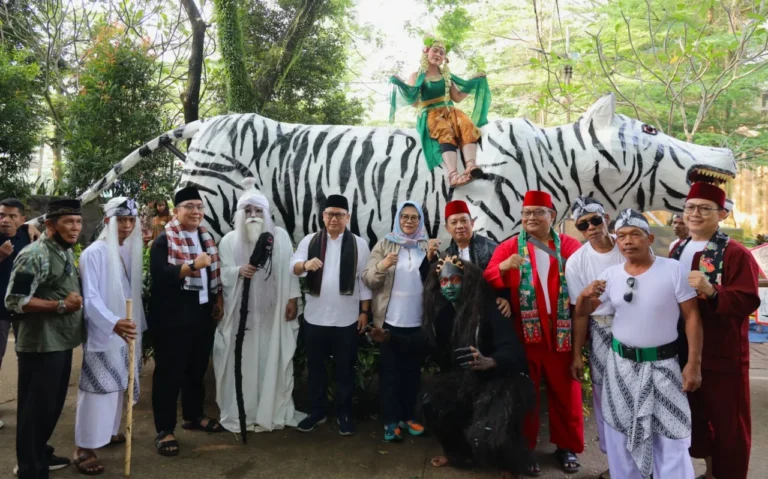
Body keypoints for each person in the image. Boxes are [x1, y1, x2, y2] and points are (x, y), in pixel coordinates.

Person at [368, 256, 533, 479]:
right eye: (444, 282)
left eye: (455, 279)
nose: (449, 286)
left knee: (494, 418)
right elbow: (425, 343)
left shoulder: (490, 308)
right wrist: (389, 337)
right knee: (432, 402)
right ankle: (458, 455)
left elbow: (512, 350)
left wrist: (490, 361)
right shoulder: (444, 314)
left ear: (467, 281)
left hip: (500, 378)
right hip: (466, 378)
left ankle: (508, 464)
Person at [579, 209, 703, 479]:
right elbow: (589, 311)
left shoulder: (672, 269)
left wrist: (694, 364)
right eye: (621, 236)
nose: (627, 241)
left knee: (672, 436)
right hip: (620, 369)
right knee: (621, 436)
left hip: (663, 367)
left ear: (650, 238)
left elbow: (692, 317)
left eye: (635, 234)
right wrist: (585, 296)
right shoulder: (611, 275)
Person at [483, 190, 583, 476]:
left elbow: (585, 279)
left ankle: (567, 447)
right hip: (525, 335)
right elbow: (487, 278)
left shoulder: (570, 245)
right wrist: (503, 267)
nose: (531, 218)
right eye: (526, 213)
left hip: (561, 334)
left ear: (552, 216)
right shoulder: (510, 246)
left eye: (538, 212)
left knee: (567, 393)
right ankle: (525, 450)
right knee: (525, 397)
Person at [670, 182, 760, 479]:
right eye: (690, 207)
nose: (695, 214)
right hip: (683, 347)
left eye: (704, 208)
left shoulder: (735, 253)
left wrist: (712, 291)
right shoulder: (677, 248)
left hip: (723, 351)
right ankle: (710, 471)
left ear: (721, 214)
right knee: (697, 416)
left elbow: (748, 298)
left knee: (728, 421)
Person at [214, 179, 305, 434]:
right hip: (242, 319)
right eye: (248, 211)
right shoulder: (229, 241)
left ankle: (271, 409)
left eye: (257, 211)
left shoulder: (281, 238)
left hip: (273, 316)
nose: (253, 216)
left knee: (271, 358)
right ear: (240, 214)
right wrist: (238, 271)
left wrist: (292, 300)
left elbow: (290, 271)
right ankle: (244, 411)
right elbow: (223, 274)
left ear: (266, 213)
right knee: (241, 362)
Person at [5, 198, 85, 478]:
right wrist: (61, 305)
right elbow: (14, 300)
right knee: (35, 411)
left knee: (50, 407)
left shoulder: (62, 250)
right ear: (50, 225)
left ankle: (40, 454)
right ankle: (30, 469)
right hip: (40, 345)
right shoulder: (34, 254)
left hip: (60, 342)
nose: (75, 228)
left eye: (77, 222)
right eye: (68, 222)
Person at [149, 186, 225, 457]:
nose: (195, 212)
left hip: (202, 312)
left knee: (196, 369)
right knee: (170, 373)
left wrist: (217, 300)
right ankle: (164, 429)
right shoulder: (164, 239)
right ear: (176, 211)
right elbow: (160, 276)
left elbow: (212, 274)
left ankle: (194, 416)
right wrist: (192, 265)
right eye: (189, 207)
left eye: (199, 207)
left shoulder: (206, 237)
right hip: (173, 317)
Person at [72, 197, 145, 475]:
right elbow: (90, 298)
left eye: (130, 220)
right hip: (106, 332)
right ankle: (84, 446)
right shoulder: (94, 253)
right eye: (121, 220)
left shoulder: (128, 251)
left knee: (118, 388)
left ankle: (111, 432)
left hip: (125, 331)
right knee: (97, 391)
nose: (127, 226)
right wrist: (113, 323)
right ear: (108, 222)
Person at [290, 194, 372, 436]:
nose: (334, 218)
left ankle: (344, 412)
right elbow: (293, 266)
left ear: (347, 217)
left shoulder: (359, 244)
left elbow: (364, 281)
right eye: (329, 214)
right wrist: (305, 265)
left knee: (345, 368)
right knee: (316, 367)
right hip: (316, 317)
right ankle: (317, 411)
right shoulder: (310, 240)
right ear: (323, 216)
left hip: (346, 318)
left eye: (339, 214)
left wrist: (365, 312)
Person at [362, 201, 437, 442]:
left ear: (420, 221)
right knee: (390, 374)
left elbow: (438, 283)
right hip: (389, 323)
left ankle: (408, 417)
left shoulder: (427, 245)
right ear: (397, 219)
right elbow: (368, 279)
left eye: (414, 217)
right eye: (404, 216)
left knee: (412, 374)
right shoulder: (385, 244)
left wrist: (432, 258)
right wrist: (383, 265)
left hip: (417, 322)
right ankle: (391, 421)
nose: (409, 221)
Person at [565, 196, 624, 479]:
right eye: (583, 224)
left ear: (607, 217)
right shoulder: (577, 261)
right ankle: (615, 463)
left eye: (595, 220)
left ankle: (644, 461)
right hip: (602, 331)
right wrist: (577, 354)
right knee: (605, 397)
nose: (591, 227)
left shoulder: (628, 244)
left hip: (640, 329)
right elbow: (580, 313)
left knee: (639, 396)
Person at [389, 34, 491, 187]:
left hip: (451, 111)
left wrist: (473, 82)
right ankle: (453, 175)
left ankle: (470, 166)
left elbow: (457, 97)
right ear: (426, 52)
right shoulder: (416, 76)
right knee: (445, 132)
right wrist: (403, 85)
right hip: (431, 114)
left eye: (442, 53)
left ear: (445, 59)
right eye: (435, 51)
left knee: (466, 124)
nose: (438, 54)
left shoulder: (446, 76)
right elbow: (414, 103)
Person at [442, 200, 511, 317]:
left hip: (490, 310)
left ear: (472, 223)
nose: (460, 226)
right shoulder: (446, 255)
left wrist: (506, 299)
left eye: (464, 221)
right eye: (454, 222)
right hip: (462, 314)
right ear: (447, 228)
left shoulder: (491, 248)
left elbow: (508, 277)